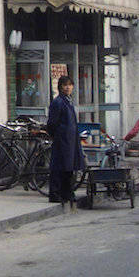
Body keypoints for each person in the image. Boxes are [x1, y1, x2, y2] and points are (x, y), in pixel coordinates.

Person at [47, 75, 86, 207]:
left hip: (70, 140)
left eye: (70, 85)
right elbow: (52, 123)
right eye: (65, 85)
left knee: (69, 168)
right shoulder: (58, 102)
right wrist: (57, 136)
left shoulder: (68, 101)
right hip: (62, 140)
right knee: (59, 167)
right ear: (60, 87)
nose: (68, 87)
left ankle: (67, 193)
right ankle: (56, 194)